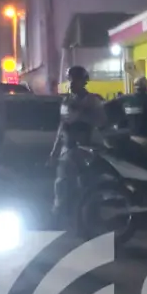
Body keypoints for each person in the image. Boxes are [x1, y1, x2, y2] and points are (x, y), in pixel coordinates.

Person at [48, 66, 106, 225]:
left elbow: (101, 121)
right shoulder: (66, 100)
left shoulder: (92, 101)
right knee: (62, 185)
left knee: (88, 186)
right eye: (70, 79)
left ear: (83, 81)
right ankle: (60, 217)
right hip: (68, 147)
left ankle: (91, 217)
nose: (72, 83)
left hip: (85, 149)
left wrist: (82, 114)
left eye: (76, 80)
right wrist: (55, 150)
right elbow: (62, 126)